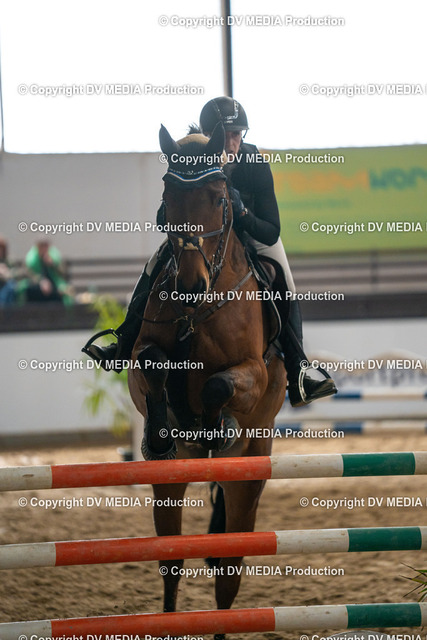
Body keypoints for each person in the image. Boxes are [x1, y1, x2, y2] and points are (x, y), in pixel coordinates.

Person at [84, 97, 336, 407]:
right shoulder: (191, 158)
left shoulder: (254, 162)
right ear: (207, 135)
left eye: (237, 134)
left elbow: (271, 230)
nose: (231, 142)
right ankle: (122, 343)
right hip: (202, 239)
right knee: (154, 264)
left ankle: (299, 369)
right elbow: (165, 217)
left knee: (284, 278)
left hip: (252, 233)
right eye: (225, 135)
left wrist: (241, 214)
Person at [23, 237, 74, 305]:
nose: (44, 249)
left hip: (53, 284)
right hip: (37, 285)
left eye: (46, 246)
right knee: (30, 291)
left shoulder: (54, 256)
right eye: (41, 246)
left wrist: (52, 264)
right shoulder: (31, 259)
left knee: (60, 292)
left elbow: (63, 273)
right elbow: (29, 275)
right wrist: (40, 281)